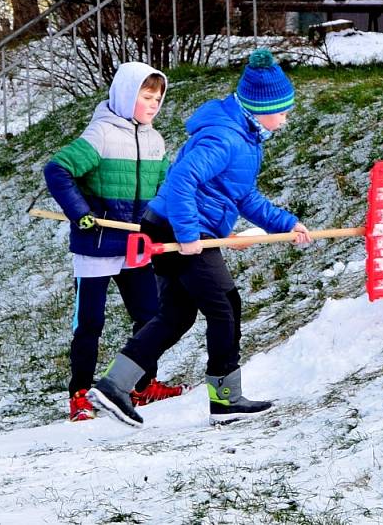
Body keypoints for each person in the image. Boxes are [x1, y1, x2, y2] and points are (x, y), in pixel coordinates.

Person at [88, 49, 312, 427]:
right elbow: (181, 181)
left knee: (176, 315)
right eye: (283, 111)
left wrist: (285, 223)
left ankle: (114, 386)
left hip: (170, 223)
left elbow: (240, 196)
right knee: (226, 305)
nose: (286, 119)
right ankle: (226, 400)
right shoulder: (225, 138)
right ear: (261, 108)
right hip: (180, 227)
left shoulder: (246, 138)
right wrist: (189, 234)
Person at [44, 62, 189, 422]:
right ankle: (80, 394)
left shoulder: (155, 141)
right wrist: (80, 212)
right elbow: (57, 169)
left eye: (158, 97)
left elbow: (164, 191)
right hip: (96, 244)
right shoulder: (101, 134)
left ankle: (140, 385)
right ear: (127, 95)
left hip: (135, 246)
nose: (154, 104)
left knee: (150, 316)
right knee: (90, 322)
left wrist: (172, 228)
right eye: (146, 96)